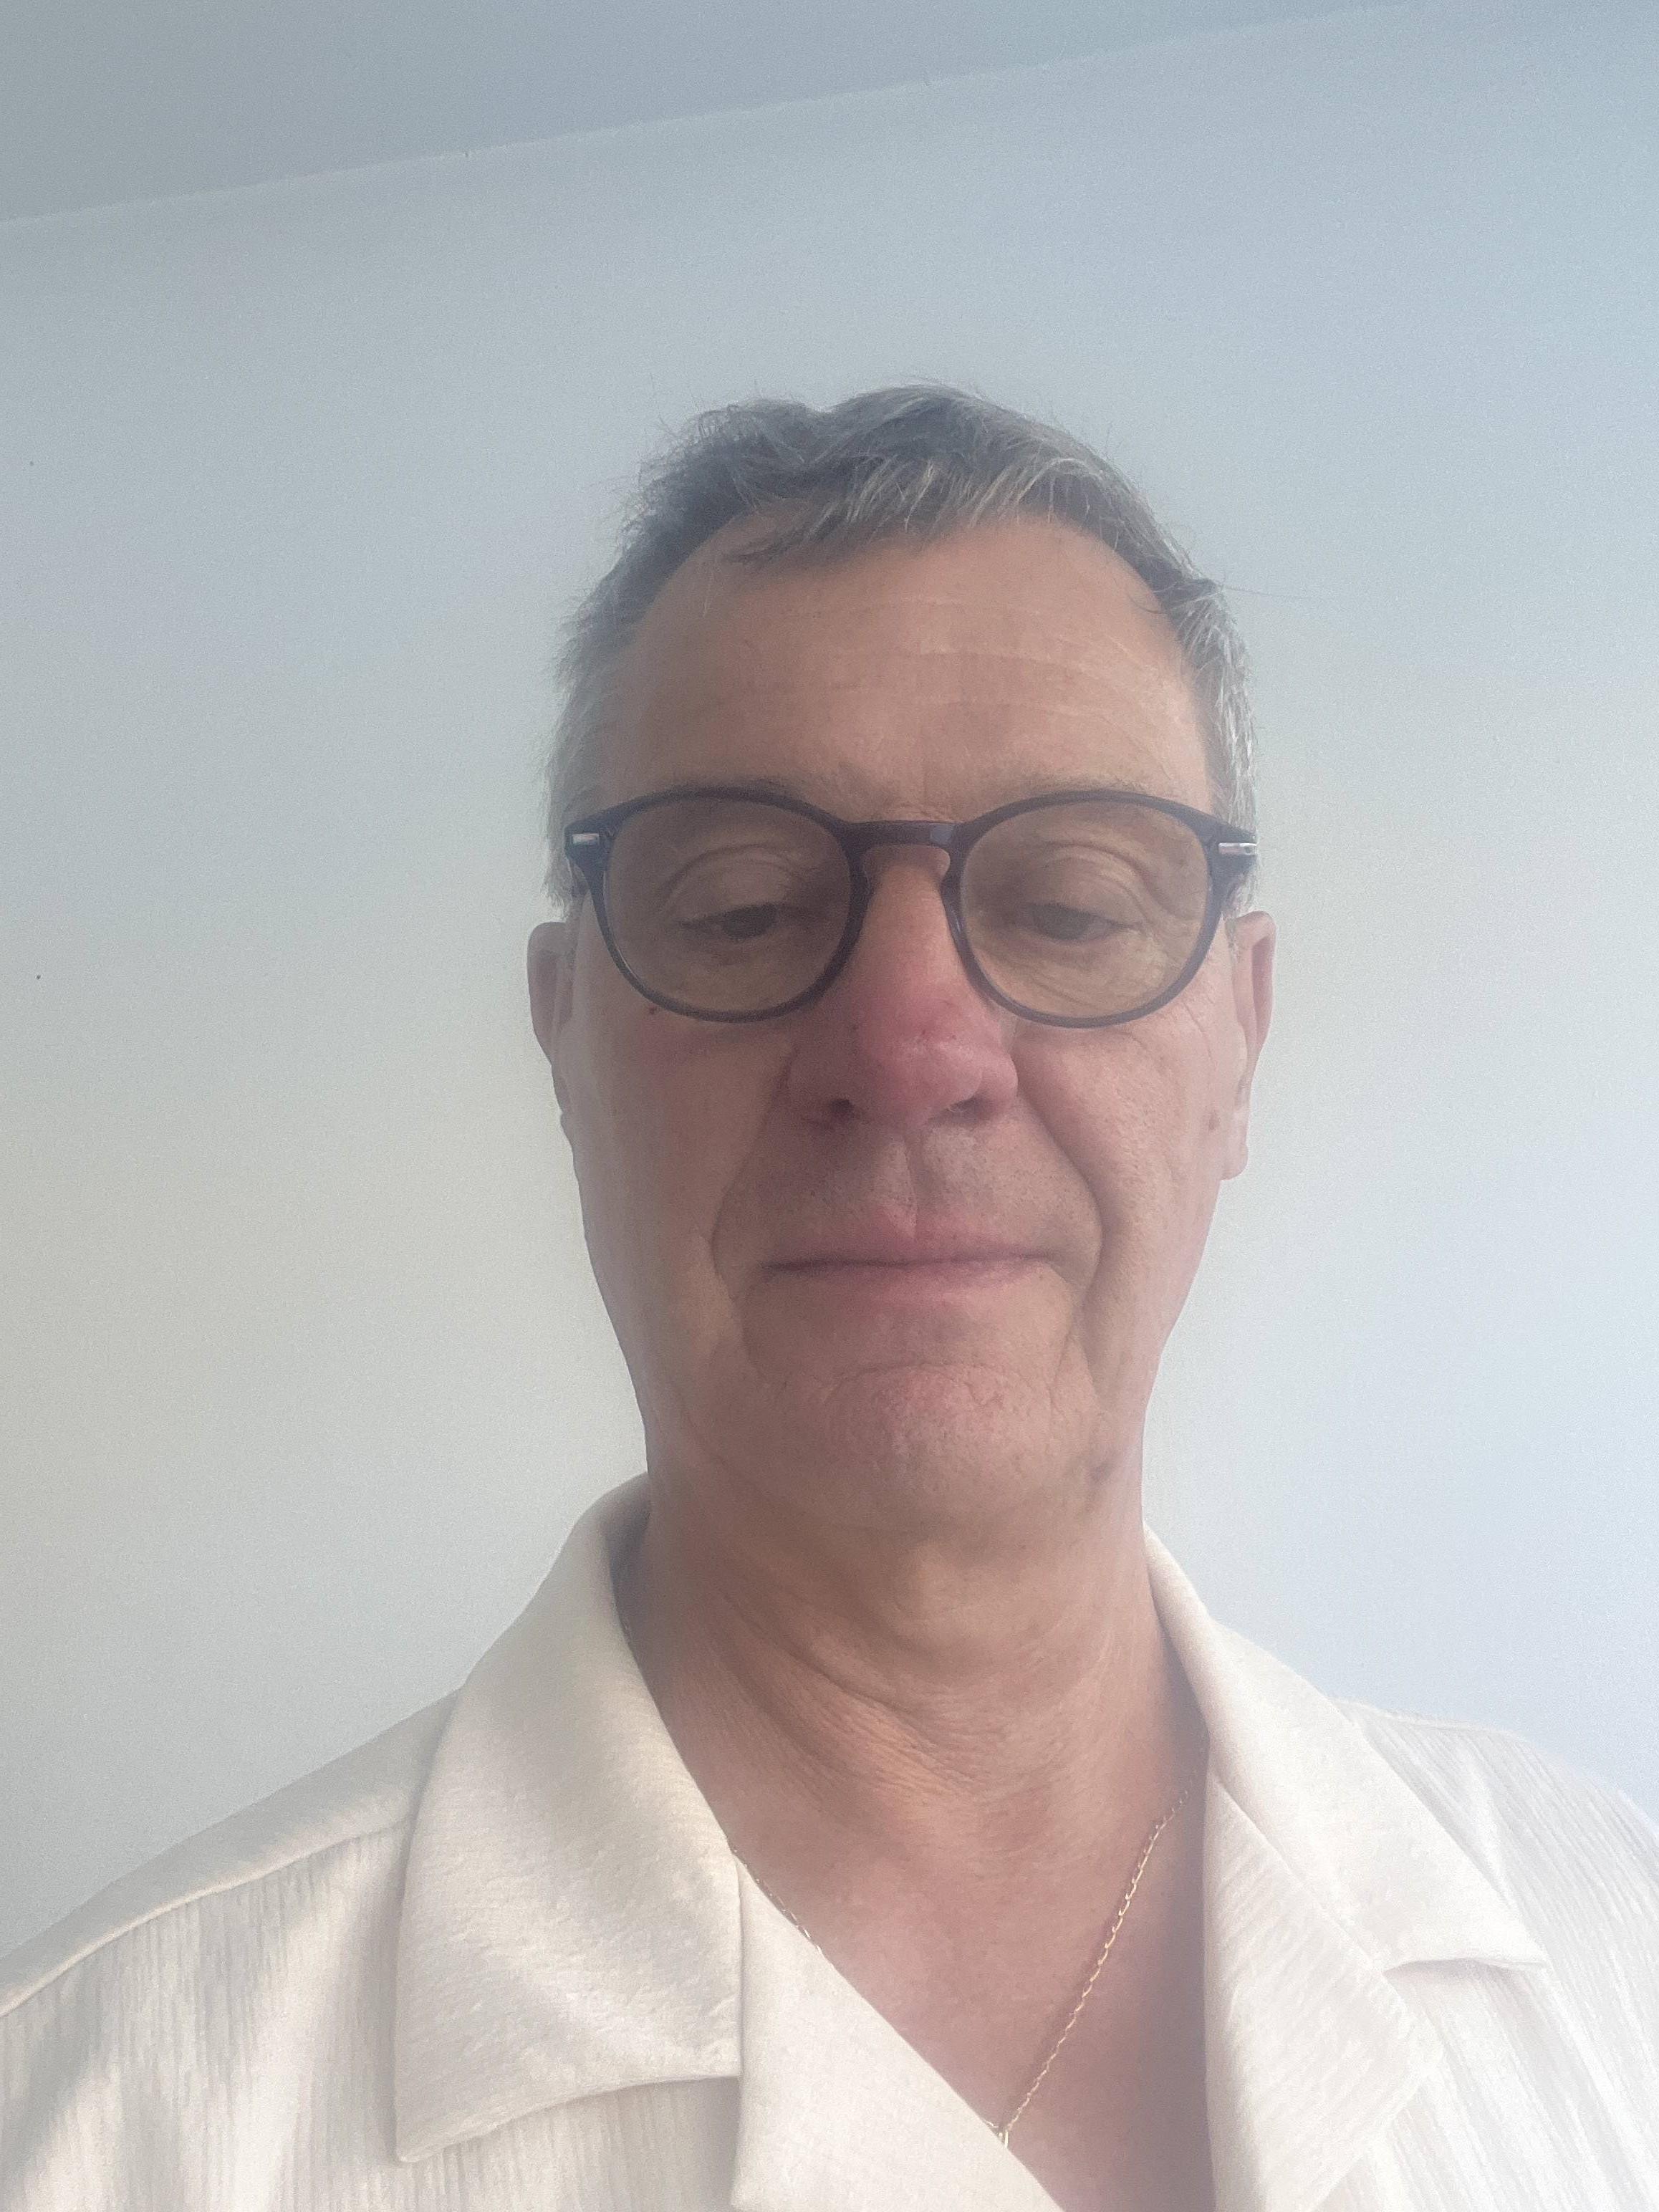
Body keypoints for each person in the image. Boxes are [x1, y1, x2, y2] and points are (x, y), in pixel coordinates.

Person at [3, 388, 1655, 2212]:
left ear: (1239, 1039)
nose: (910, 1044)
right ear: (564, 1037)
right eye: (738, 907)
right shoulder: (88, 2125)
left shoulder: (1616, 1957)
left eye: (1070, 902)